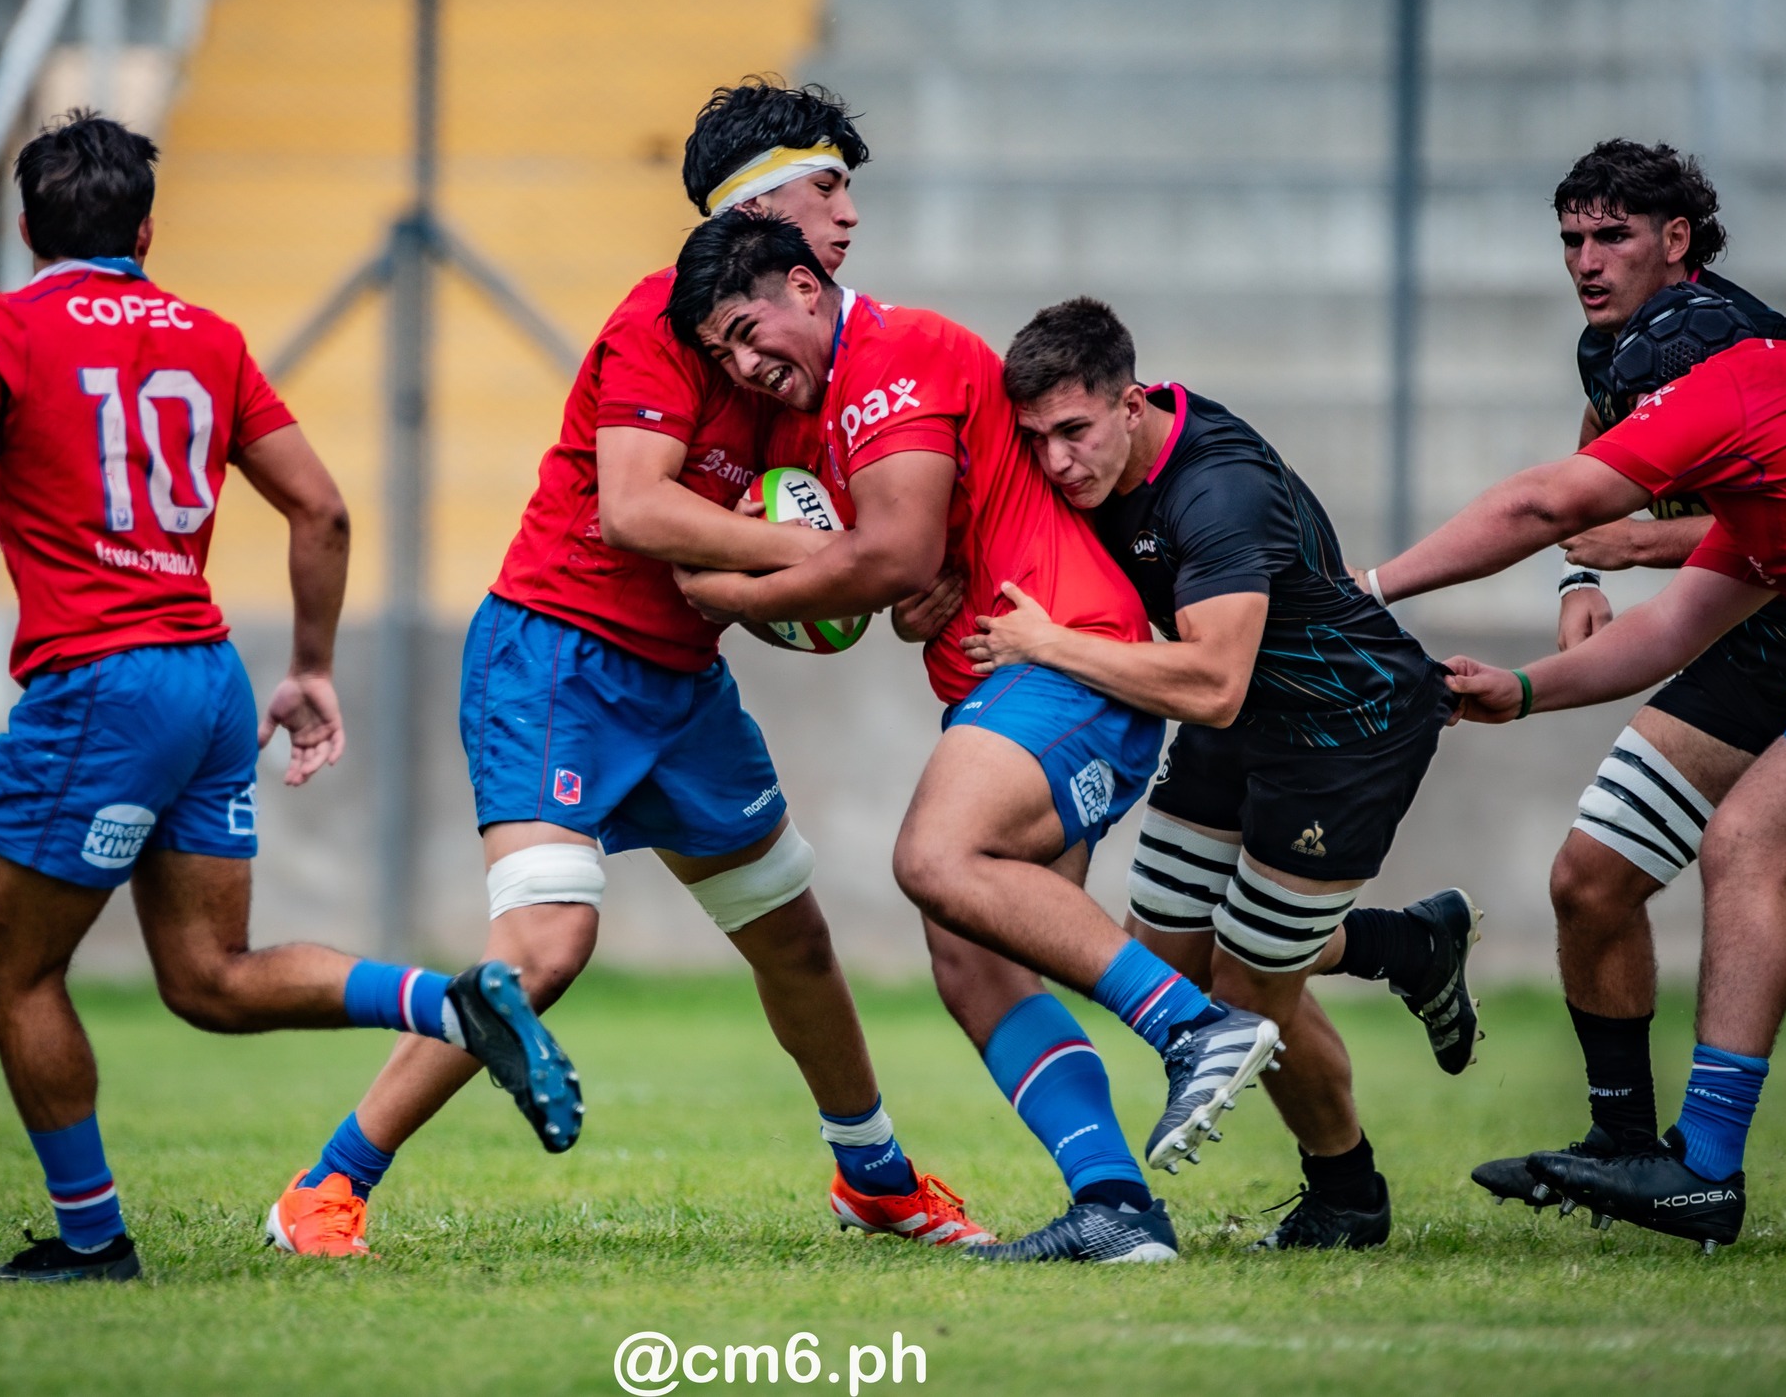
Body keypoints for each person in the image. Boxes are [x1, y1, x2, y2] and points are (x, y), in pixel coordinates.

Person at [0, 111, 574, 1283]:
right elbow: (323, 509)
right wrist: (307, 664)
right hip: (206, 677)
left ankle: (92, 1240)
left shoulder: (4, 325)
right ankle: (452, 1004)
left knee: (15, 967)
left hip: (99, 680)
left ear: (26, 225)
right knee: (209, 976)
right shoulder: (206, 336)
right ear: (145, 226)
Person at [263, 80, 991, 1258]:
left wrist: (907, 576)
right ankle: (325, 1187)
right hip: (555, 657)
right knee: (547, 950)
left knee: (791, 935)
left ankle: (873, 1175)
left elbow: (832, 549)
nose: (849, 215)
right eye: (827, 187)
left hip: (680, 683)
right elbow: (637, 508)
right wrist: (824, 552)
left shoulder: (826, 345)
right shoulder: (669, 313)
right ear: (762, 204)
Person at [668, 211, 1282, 1267]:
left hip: (1063, 657)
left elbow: (892, 556)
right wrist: (887, 584)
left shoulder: (895, 354)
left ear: (805, 291)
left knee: (933, 856)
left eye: (744, 328)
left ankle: (1194, 1027)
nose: (742, 361)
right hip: (998, 682)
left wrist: (714, 590)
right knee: (973, 960)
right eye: (720, 351)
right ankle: (1115, 1206)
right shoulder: (825, 417)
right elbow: (881, 584)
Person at [949, 296, 1477, 1250]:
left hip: (1342, 728)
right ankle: (1403, 945)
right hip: (1238, 725)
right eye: (1038, 438)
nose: (1059, 461)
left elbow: (1217, 681)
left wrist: (1049, 644)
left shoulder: (1215, 488)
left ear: (1132, 402)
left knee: (1245, 994)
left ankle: (1347, 1194)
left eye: (1075, 431)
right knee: (1169, 971)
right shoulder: (1098, 470)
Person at [1359, 326, 1786, 1251]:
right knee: (1630, 864)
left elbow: (1544, 502)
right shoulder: (1751, 488)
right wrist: (1517, 693)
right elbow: (1670, 631)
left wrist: (1367, 588)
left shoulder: (1735, 387)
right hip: (1758, 661)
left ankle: (1704, 1169)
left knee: (1751, 844)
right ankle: (1655, 1155)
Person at [1456, 142, 1786, 1211]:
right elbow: (1599, 463)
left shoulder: (1722, 342)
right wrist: (1570, 575)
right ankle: (1624, 1151)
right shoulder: (1612, 343)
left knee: (1746, 850)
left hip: (1757, 600)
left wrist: (1626, 550)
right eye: (1571, 239)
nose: (1585, 261)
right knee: (1589, 876)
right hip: (1752, 619)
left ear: (1676, 241)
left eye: (1610, 236)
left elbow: (1730, 525)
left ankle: (1701, 1165)